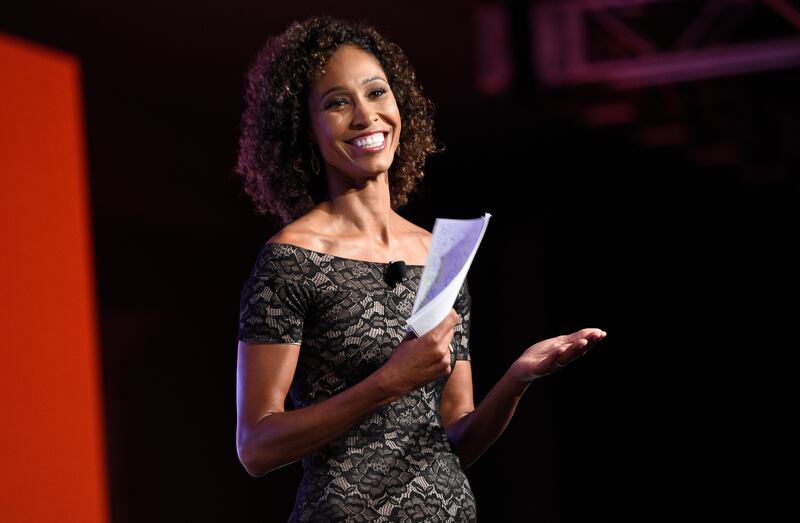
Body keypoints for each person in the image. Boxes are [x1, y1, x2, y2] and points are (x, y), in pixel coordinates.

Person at [234, 16, 606, 522]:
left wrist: (518, 377)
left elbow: (457, 438)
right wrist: (390, 380)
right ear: (306, 130)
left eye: (376, 93)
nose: (367, 116)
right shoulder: (292, 259)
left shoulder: (441, 253)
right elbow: (256, 445)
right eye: (338, 103)